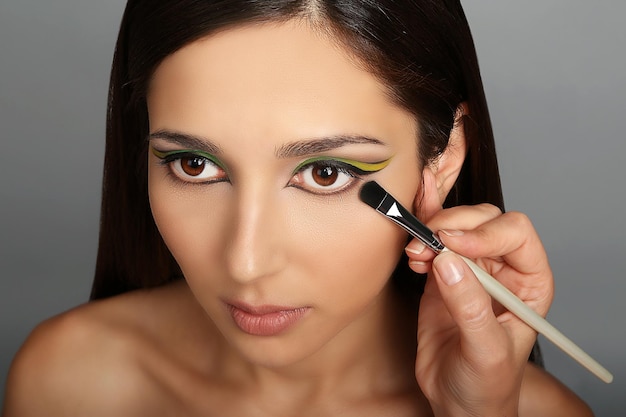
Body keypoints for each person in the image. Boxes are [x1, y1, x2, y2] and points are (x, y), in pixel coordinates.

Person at [2, 1, 595, 416]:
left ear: (442, 156)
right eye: (194, 165)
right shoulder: (68, 381)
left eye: (325, 173)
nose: (247, 262)